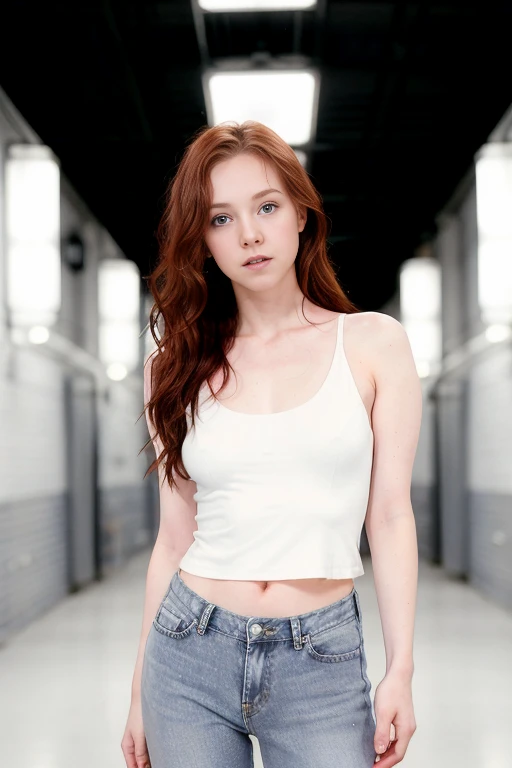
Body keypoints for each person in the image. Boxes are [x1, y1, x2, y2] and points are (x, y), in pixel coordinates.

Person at [121, 120, 421, 768]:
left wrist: (400, 669)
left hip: (321, 656)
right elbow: (174, 538)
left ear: (301, 216)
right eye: (221, 219)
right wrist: (138, 692)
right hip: (187, 650)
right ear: (201, 241)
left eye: (266, 207)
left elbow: (391, 514)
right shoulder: (173, 368)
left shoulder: (372, 344)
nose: (250, 234)